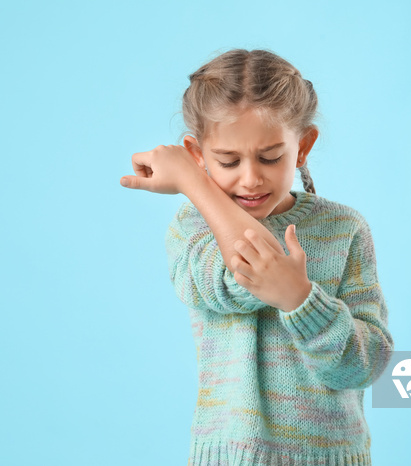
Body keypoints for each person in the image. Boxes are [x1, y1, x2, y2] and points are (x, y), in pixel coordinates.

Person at [120, 48, 394, 466]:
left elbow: (365, 365)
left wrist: (302, 300)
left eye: (270, 157)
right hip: (230, 457)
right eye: (227, 161)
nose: (251, 178)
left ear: (302, 146)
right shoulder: (194, 227)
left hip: (332, 456)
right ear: (197, 154)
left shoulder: (345, 229)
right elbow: (239, 276)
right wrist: (196, 186)